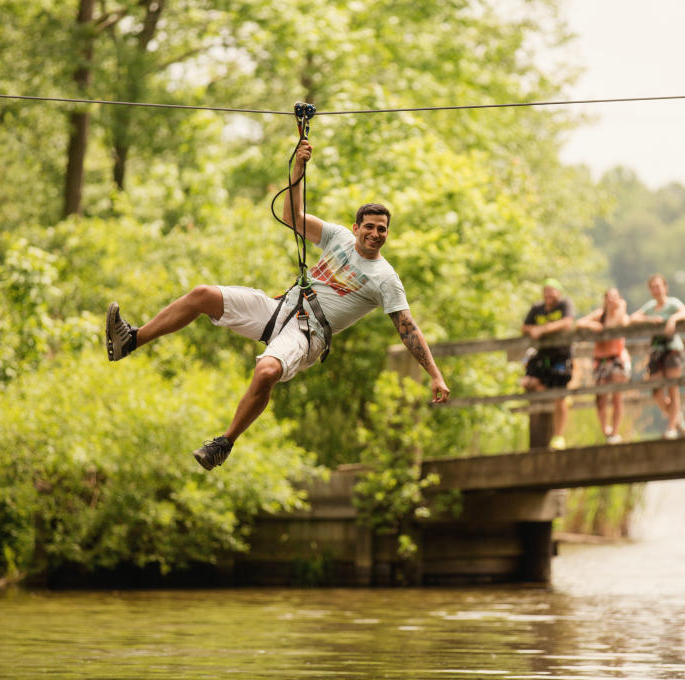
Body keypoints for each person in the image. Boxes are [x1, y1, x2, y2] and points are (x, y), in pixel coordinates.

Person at [103, 138, 450, 471]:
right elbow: (291, 214)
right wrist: (298, 167)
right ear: (356, 227)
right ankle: (131, 340)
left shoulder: (385, 278)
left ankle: (223, 443)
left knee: (267, 371)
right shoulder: (337, 237)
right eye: (370, 227)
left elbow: (407, 327)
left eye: (383, 230)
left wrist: (434, 375)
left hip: (308, 332)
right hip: (280, 308)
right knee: (203, 295)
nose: (376, 234)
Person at [630, 273, 685, 439]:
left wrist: (672, 319)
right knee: (657, 391)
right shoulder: (650, 306)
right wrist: (649, 319)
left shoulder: (672, 303)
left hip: (672, 348)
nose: (656, 290)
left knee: (673, 388)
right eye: (653, 287)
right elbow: (633, 318)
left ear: (665, 287)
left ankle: (671, 427)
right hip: (657, 350)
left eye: (659, 286)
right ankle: (677, 417)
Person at [520, 278, 576, 450]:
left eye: (552, 290)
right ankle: (560, 401)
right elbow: (524, 327)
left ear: (558, 292)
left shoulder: (564, 304)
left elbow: (567, 323)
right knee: (529, 383)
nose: (549, 294)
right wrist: (533, 329)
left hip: (561, 356)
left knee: (559, 396)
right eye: (546, 290)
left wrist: (543, 329)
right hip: (542, 357)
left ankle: (558, 436)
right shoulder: (537, 308)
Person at [576, 287, 632, 444]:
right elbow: (579, 323)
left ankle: (615, 431)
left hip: (617, 359)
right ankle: (605, 430)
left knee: (617, 397)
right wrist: (593, 326)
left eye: (615, 297)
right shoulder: (599, 315)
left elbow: (612, 326)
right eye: (608, 297)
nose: (611, 300)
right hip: (600, 361)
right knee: (600, 399)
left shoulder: (622, 316)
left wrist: (622, 306)